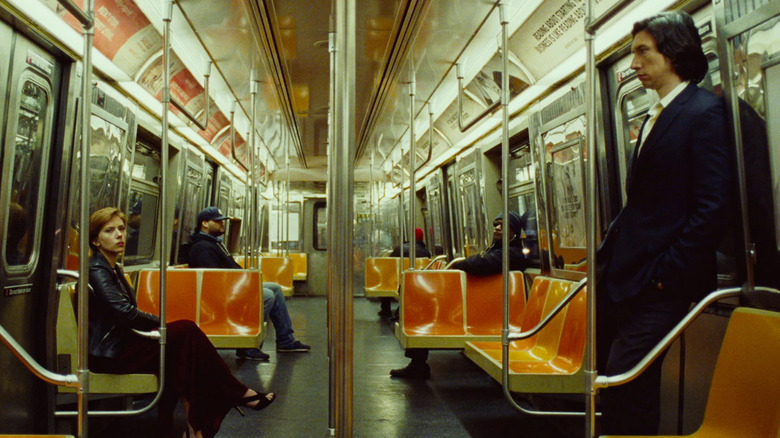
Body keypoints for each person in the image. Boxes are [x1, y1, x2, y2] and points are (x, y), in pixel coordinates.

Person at [595, 11, 732, 435]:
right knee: (625, 388)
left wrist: (664, 276)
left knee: (624, 384)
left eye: (642, 51)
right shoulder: (654, 117)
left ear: (673, 53)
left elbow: (712, 206)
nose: (633, 63)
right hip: (630, 281)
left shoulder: (703, 112)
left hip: (660, 286)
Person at [87, 207, 274, 438]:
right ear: (95, 240)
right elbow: (124, 312)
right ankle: (237, 394)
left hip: (121, 345)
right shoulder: (97, 269)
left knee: (182, 357)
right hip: (110, 355)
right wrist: (161, 324)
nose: (119, 235)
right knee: (186, 330)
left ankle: (193, 426)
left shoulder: (112, 268)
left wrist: (158, 326)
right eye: (109, 230)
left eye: (122, 229)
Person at [390, 212, 527, 379]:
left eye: (504, 226)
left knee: (426, 308)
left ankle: (417, 364)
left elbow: (480, 264)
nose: (497, 228)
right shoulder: (497, 249)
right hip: (479, 302)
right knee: (424, 304)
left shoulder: (512, 253)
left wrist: (459, 264)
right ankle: (416, 362)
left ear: (515, 232)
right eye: (496, 224)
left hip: (490, 309)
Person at [187, 206, 310, 361]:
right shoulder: (202, 247)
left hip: (233, 285)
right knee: (267, 295)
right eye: (218, 221)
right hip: (222, 293)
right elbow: (214, 278)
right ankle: (248, 346)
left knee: (275, 288)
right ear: (204, 223)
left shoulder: (214, 243)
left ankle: (286, 340)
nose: (222, 224)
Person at [378, 228, 431, 317]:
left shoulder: (399, 250)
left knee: (385, 276)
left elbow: (390, 266)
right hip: (420, 281)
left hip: (398, 280)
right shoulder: (426, 252)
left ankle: (385, 309)